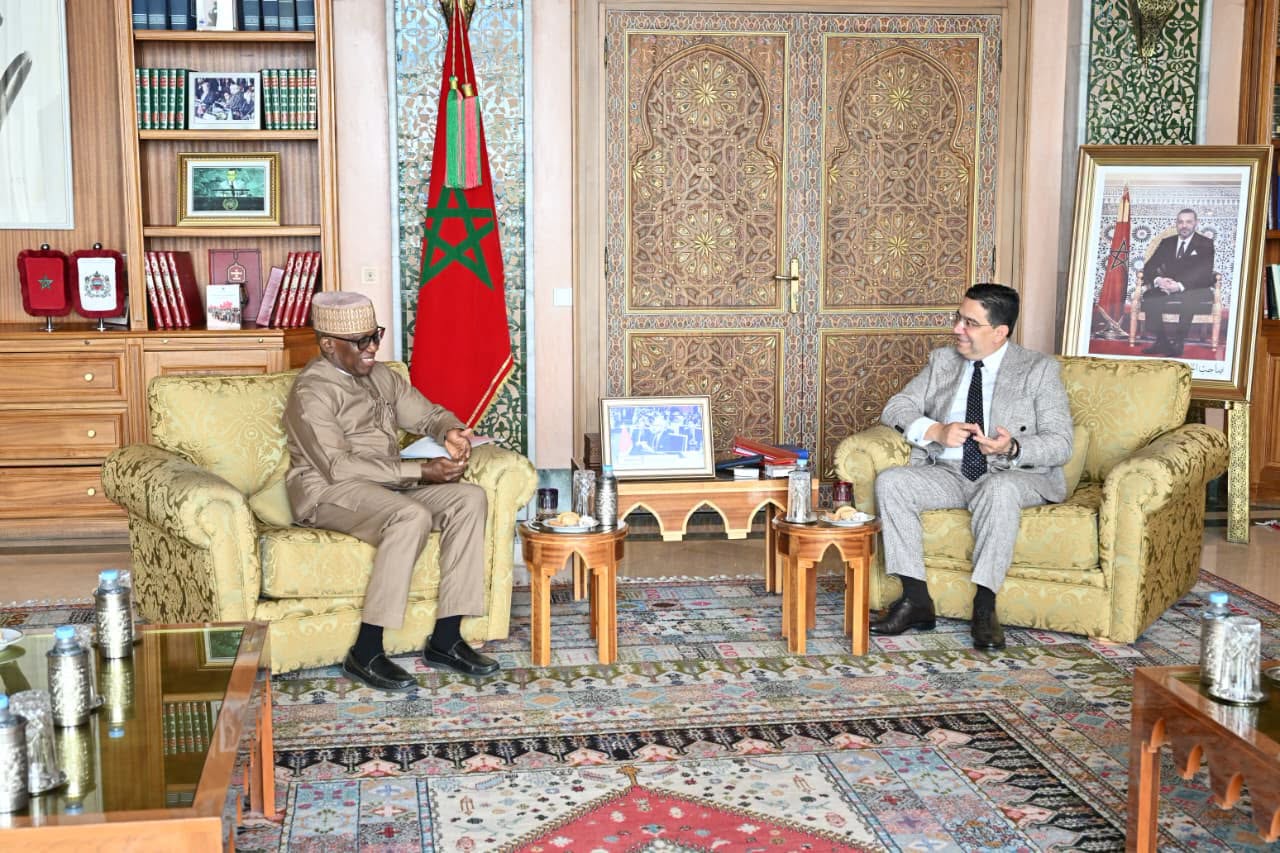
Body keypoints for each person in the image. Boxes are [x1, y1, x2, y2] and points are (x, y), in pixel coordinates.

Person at [282, 292, 498, 691]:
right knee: (409, 515)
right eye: (360, 341)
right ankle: (365, 652)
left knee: (470, 499)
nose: (372, 348)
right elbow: (338, 467)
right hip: (328, 493)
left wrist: (450, 431)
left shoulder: (380, 375)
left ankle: (446, 639)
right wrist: (422, 471)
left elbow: (428, 415)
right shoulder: (311, 391)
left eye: (375, 336)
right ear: (328, 344)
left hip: (386, 485)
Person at [870, 283, 1073, 650]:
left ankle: (984, 604)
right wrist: (936, 430)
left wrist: (1012, 447)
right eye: (958, 318)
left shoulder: (1038, 370)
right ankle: (916, 600)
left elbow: (1061, 442)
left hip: (1011, 474)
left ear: (1000, 332)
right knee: (892, 481)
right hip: (949, 472)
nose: (957, 329)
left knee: (999, 489)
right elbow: (896, 407)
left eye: (970, 323)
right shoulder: (943, 361)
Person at [1139, 208, 1216, 357]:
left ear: (1196, 223)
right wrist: (1159, 280)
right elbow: (1149, 266)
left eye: (1188, 222)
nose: (1184, 225)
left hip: (1194, 288)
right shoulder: (1167, 242)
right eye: (1180, 222)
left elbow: (1204, 273)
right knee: (1150, 295)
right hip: (1168, 287)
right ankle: (1161, 341)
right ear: (1176, 223)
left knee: (1190, 297)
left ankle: (1178, 342)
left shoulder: (1205, 243)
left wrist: (1180, 286)